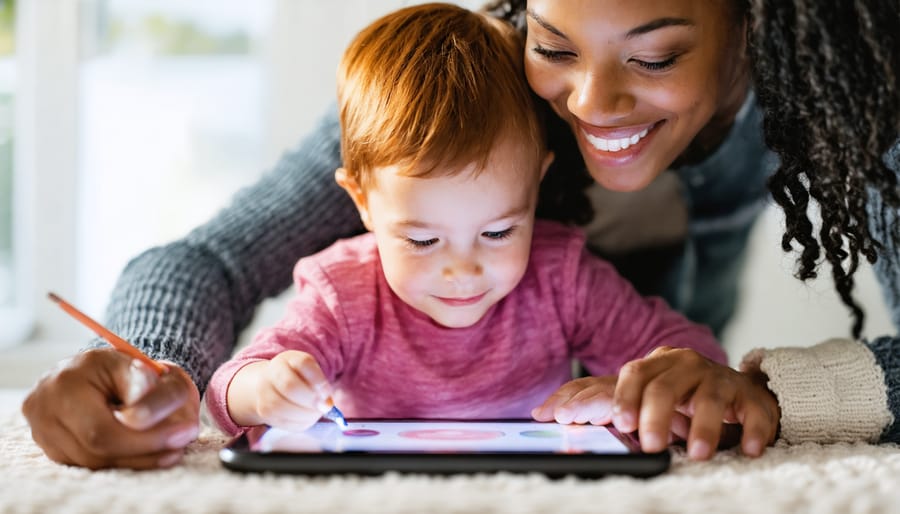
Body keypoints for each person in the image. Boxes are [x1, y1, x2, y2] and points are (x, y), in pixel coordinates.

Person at [21, 0, 899, 469]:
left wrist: (777, 394)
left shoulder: (853, 85)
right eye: (554, 45)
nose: (589, 103)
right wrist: (146, 367)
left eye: (655, 56)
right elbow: (209, 258)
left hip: (642, 402)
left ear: (756, 22)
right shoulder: (462, 95)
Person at [205, 3, 728, 438]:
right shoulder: (343, 292)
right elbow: (228, 387)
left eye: (499, 232)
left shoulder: (560, 277)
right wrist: (266, 390)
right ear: (362, 201)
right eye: (423, 239)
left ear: (536, 186)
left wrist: (638, 386)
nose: (463, 269)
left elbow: (691, 356)